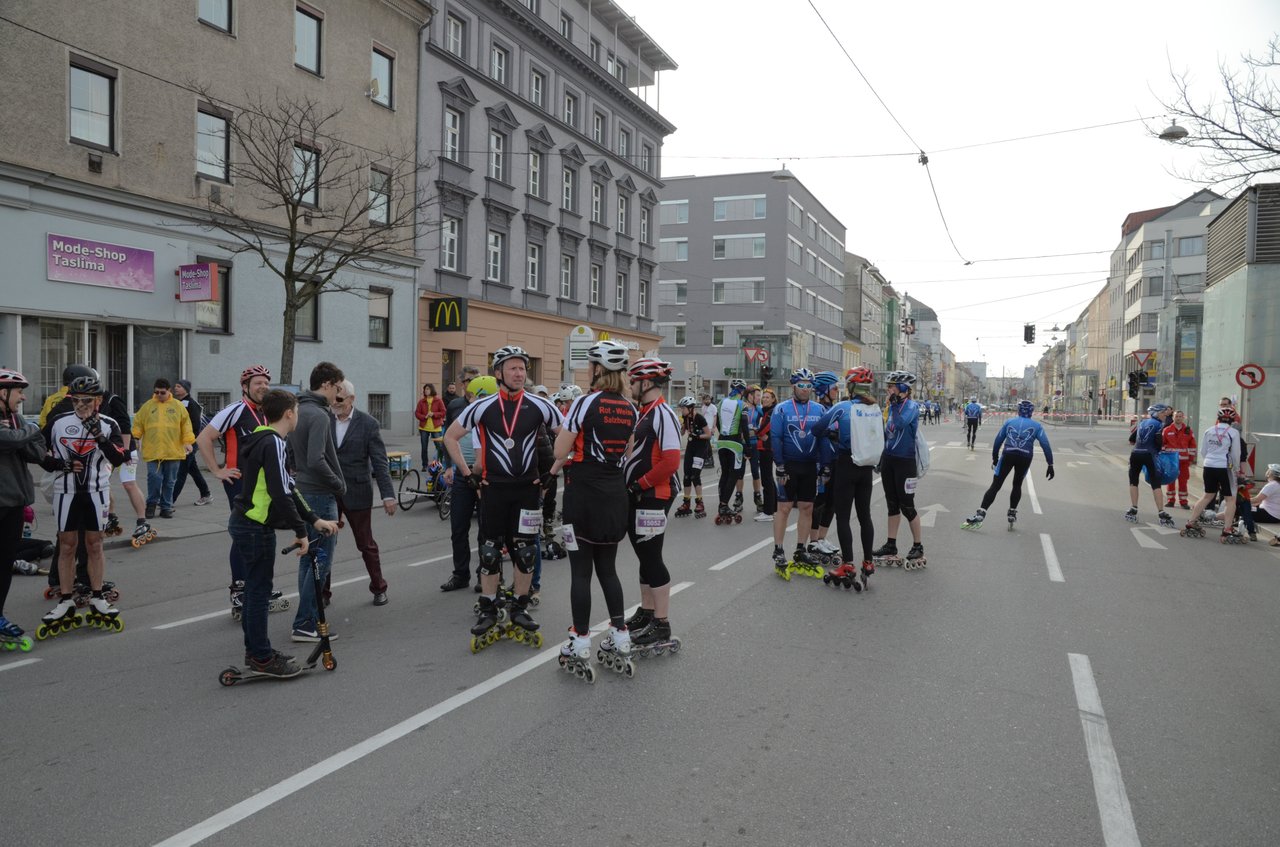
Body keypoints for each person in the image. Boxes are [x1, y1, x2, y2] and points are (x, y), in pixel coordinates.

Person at [444, 346, 562, 648]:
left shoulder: (540, 405)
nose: (519, 373)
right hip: (494, 488)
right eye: (513, 368)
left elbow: (568, 436)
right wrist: (467, 473)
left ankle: (520, 606)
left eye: (522, 368)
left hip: (527, 489)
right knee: (490, 550)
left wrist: (553, 471)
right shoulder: (482, 406)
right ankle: (488, 606)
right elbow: (450, 437)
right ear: (498, 373)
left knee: (525, 550)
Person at [228, 389, 339, 679]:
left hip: (247, 523)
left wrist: (313, 520)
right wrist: (302, 532)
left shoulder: (261, 437)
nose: (297, 416)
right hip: (254, 526)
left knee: (255, 591)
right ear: (289, 413)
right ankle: (261, 657)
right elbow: (280, 492)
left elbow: (289, 487)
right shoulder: (274, 442)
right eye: (297, 411)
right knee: (258, 593)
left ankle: (257, 651)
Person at [552, 341, 636, 676]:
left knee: (581, 573)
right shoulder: (630, 408)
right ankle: (620, 635)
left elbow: (560, 450)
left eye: (590, 365)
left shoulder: (585, 403)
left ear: (598, 369)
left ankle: (580, 640)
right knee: (608, 570)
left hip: (583, 495)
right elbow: (628, 453)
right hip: (615, 495)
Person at [40, 374, 127, 635]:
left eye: (86, 400)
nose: (80, 405)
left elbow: (119, 458)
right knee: (67, 545)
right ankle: (66, 599)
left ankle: (97, 596)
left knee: (95, 544)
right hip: (65, 492)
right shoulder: (58, 422)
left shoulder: (109, 424)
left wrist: (99, 435)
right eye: (75, 400)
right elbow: (37, 452)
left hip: (96, 492)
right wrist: (60, 464)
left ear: (98, 400)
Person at [197, 364, 273, 614]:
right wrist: (217, 470)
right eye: (258, 383)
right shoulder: (236, 409)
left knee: (261, 534)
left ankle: (257, 585)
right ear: (245, 387)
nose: (263, 387)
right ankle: (239, 589)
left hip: (262, 485)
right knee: (245, 534)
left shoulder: (266, 411)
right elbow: (204, 438)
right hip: (240, 482)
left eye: (266, 383)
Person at [621, 357, 683, 654]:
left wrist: (639, 484)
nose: (630, 385)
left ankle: (662, 622)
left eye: (633, 381)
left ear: (646, 383)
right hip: (642, 494)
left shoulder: (663, 413)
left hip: (655, 494)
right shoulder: (644, 411)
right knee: (644, 555)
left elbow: (671, 461)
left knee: (651, 555)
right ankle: (647, 612)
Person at [0, 368, 59, 650]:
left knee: (4, 563)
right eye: (19, 392)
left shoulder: (14, 419)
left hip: (14, 502)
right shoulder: (18, 425)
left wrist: (23, 435)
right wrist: (31, 430)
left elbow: (35, 451)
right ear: (3, 393)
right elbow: (9, 440)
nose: (23, 397)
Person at [288, 361, 347, 642]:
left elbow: (291, 454)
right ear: (326, 384)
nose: (339, 393)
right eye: (337, 387)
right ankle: (305, 622)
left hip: (303, 490)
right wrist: (337, 483)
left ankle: (305, 619)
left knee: (308, 559)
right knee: (320, 562)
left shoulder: (299, 409)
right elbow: (316, 459)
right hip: (320, 495)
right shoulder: (320, 415)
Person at [815, 367, 884, 590]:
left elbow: (817, 429)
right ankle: (868, 561)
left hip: (846, 464)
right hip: (866, 468)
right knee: (865, 516)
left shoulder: (843, 407)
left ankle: (848, 564)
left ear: (851, 387)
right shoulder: (876, 408)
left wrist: (833, 435)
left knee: (843, 517)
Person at [332, 381, 395, 606]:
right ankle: (322, 594)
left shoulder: (368, 423)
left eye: (340, 399)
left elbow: (379, 461)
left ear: (351, 399)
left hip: (357, 491)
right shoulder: (324, 420)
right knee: (324, 544)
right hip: (329, 492)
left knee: (366, 544)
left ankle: (379, 588)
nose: (335, 403)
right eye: (332, 398)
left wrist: (388, 495)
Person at [439, 375, 497, 593]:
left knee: (487, 529)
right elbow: (448, 437)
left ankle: (485, 574)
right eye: (471, 394)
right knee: (458, 528)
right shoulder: (457, 407)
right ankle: (460, 575)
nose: (472, 398)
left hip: (487, 475)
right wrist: (449, 466)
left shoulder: (495, 413)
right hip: (463, 474)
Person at [962, 400, 1054, 530]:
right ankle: (1012, 512)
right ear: (1032, 412)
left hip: (1008, 455)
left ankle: (981, 513)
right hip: (1025, 457)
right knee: (1017, 485)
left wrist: (995, 458)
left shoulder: (1009, 422)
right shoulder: (1037, 426)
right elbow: (1045, 445)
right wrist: (1050, 464)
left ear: (1018, 410)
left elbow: (998, 440)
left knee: (996, 485)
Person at [769, 368, 825, 576]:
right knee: (783, 508)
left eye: (809, 385)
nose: (805, 389)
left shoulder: (819, 409)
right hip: (789, 465)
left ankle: (801, 549)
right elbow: (776, 438)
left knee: (807, 508)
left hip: (810, 465)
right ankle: (778, 549)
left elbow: (824, 438)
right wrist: (779, 465)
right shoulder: (781, 409)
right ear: (793, 386)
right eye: (801, 385)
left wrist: (825, 465)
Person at [870, 370, 927, 568]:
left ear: (903, 388)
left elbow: (901, 424)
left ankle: (918, 545)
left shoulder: (911, 406)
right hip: (890, 460)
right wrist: (879, 458)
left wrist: (894, 405)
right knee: (892, 504)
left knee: (907, 506)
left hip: (905, 462)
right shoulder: (891, 407)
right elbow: (887, 433)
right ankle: (891, 544)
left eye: (891, 386)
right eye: (888, 386)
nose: (888, 390)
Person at [132, 378, 195, 519]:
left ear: (169, 391)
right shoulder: (147, 406)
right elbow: (138, 424)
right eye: (156, 392)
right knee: (154, 478)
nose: (159, 395)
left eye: (162, 392)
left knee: (169, 481)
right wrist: (135, 438)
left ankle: (166, 507)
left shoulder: (178, 406)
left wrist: (188, 442)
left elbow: (186, 425)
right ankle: (151, 504)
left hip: (173, 451)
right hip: (153, 450)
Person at [1182, 407, 1243, 543]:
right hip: (1224, 467)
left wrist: (1210, 460)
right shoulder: (1233, 432)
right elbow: (1235, 454)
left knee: (1207, 495)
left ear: (1218, 418)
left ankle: (1191, 522)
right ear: (1232, 420)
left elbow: (1203, 451)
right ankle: (1227, 529)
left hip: (1209, 465)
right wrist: (1236, 468)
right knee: (1230, 499)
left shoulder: (1209, 430)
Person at [1124, 403, 1175, 527]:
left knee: (1133, 481)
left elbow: (1131, 439)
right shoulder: (1159, 424)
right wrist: (1159, 449)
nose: (1165, 415)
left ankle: (1133, 508)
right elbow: (1159, 442)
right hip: (1149, 455)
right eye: (1163, 413)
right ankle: (1161, 512)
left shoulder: (1142, 423)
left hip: (1135, 454)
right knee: (1156, 484)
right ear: (1156, 413)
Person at [713, 378, 752, 524]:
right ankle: (724, 505)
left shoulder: (720, 403)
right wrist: (748, 446)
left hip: (722, 441)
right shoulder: (742, 404)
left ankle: (721, 504)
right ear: (742, 391)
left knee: (725, 473)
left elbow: (717, 423)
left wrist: (723, 434)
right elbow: (744, 425)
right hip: (735, 442)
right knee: (734, 474)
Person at [171, 379, 213, 507]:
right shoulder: (177, 403)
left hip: (188, 443)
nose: (176, 388)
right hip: (179, 442)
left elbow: (195, 426)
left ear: (186, 389)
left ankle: (169, 501)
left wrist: (188, 442)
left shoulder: (191, 404)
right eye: (175, 386)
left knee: (181, 472)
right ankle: (206, 494)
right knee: (193, 470)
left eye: (179, 386)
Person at [674, 395, 712, 519]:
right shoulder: (686, 417)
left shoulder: (699, 418)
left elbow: (709, 434)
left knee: (695, 475)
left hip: (701, 449)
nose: (681, 410)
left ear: (690, 408)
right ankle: (686, 503)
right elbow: (682, 432)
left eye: (683, 408)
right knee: (686, 475)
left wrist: (698, 435)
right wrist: (678, 425)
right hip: (691, 448)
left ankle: (700, 503)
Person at [1161, 409, 1197, 509]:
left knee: (1183, 482)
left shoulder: (1188, 431)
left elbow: (1192, 446)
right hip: (1171, 461)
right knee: (1170, 481)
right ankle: (1170, 500)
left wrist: (1191, 459)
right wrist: (1164, 458)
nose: (1178, 418)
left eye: (1180, 416)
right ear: (1173, 417)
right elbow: (1162, 444)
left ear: (1183, 418)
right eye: (1176, 416)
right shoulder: (1166, 430)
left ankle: (1183, 501)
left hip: (1184, 462)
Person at [756, 388, 779, 523]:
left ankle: (768, 512)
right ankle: (773, 507)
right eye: (763, 397)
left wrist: (757, 432)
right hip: (765, 447)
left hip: (767, 448)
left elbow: (764, 428)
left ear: (773, 400)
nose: (764, 399)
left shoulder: (771, 412)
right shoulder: (766, 411)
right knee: (769, 479)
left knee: (766, 480)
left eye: (767, 397)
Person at [414, 383, 446, 470]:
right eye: (425, 389)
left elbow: (443, 412)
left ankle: (439, 464)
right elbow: (417, 413)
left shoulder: (438, 401)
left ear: (432, 390)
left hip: (436, 427)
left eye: (428, 389)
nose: (426, 390)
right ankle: (424, 465)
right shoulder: (421, 401)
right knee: (424, 447)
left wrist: (434, 414)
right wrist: (424, 417)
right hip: (423, 427)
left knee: (439, 447)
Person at [1250, 464, 1280, 546]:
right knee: (1247, 508)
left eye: (1268, 470)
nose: (1267, 471)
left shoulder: (1272, 485)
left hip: (1268, 514)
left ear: (1271, 473)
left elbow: (1257, 499)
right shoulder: (1277, 484)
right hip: (1275, 515)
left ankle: (1248, 531)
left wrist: (1242, 501)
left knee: (1241, 509)